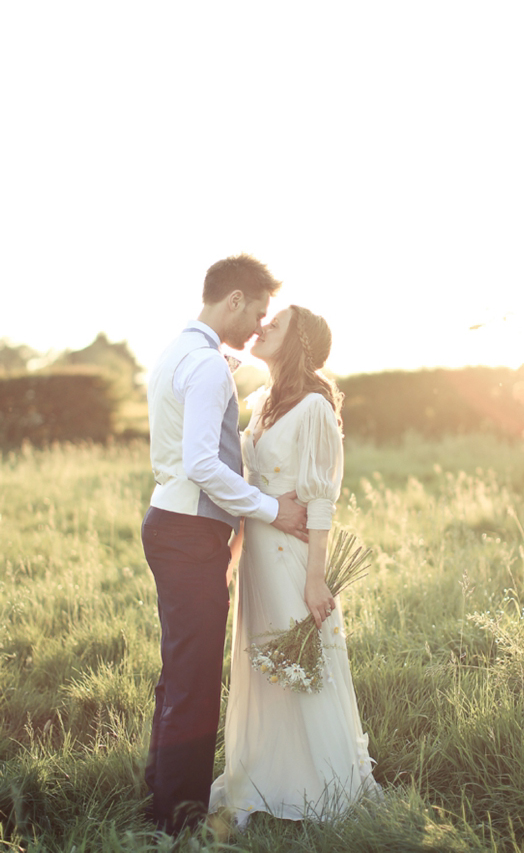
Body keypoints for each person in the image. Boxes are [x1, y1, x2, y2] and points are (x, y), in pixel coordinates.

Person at [141, 255, 308, 835]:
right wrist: (270, 511)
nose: (259, 323)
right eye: (258, 310)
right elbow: (201, 463)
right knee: (195, 677)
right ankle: (178, 821)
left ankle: (160, 792)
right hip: (189, 532)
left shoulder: (175, 350)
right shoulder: (207, 364)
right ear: (233, 300)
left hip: (169, 521)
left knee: (179, 668)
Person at [209, 304, 382, 828]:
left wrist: (316, 581)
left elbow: (321, 500)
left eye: (275, 324)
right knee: (263, 669)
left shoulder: (314, 406)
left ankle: (322, 787)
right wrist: (233, 560)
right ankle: (262, 774)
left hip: (293, 562)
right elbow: (244, 490)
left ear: (298, 342)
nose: (261, 328)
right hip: (258, 557)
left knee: (302, 668)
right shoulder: (261, 403)